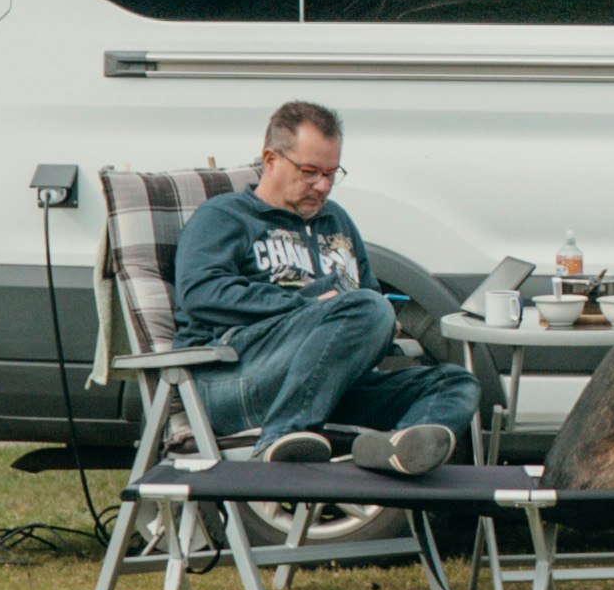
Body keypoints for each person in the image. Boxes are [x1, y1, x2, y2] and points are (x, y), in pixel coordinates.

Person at [174, 101, 480, 478]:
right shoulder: (224, 216)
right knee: (367, 308)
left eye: (332, 174)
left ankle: (391, 450)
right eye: (309, 172)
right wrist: (306, 305)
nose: (322, 186)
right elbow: (201, 293)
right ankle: (282, 437)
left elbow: (366, 298)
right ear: (270, 159)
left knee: (455, 381)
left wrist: (379, 327)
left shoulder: (336, 220)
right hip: (237, 377)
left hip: (330, 383)